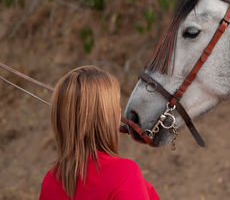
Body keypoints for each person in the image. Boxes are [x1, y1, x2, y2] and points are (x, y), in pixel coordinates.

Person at [39, 65, 160, 200]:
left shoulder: (50, 181)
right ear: (105, 117)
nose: (120, 112)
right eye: (115, 106)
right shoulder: (123, 173)